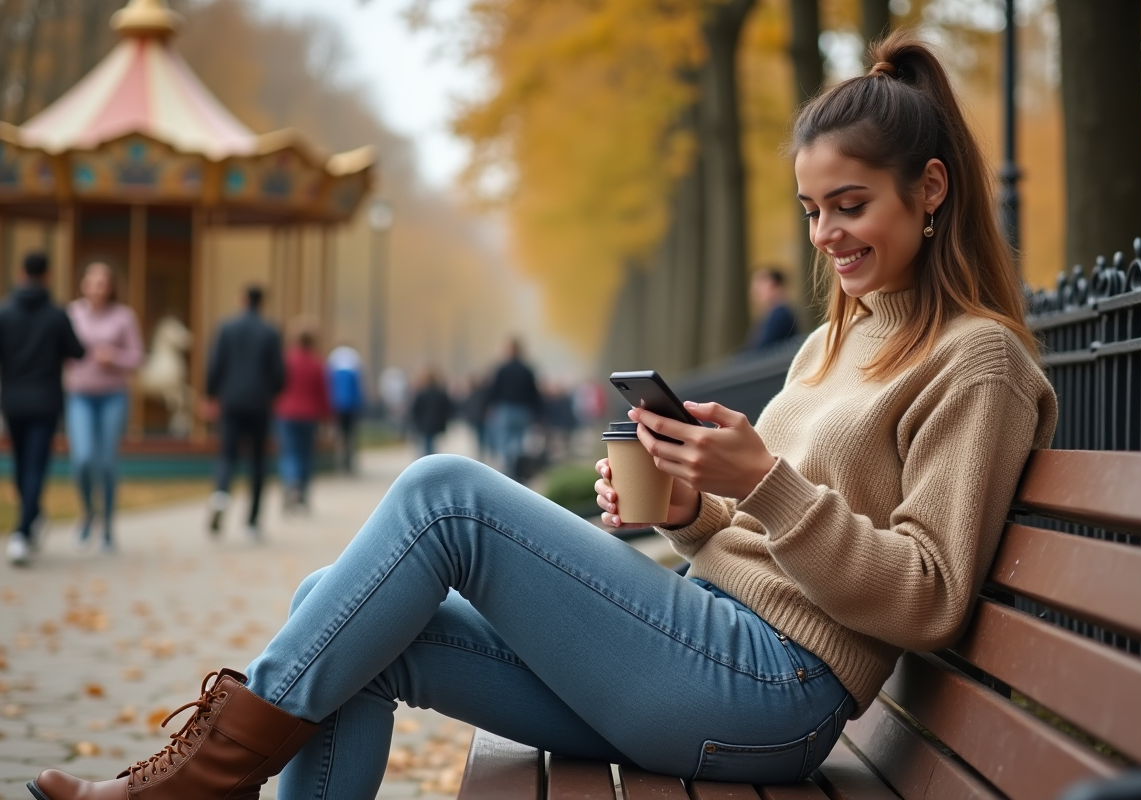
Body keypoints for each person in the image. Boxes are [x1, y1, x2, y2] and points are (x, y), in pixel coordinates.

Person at [29, 32, 1059, 799]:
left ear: (929, 190)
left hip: (771, 691)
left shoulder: (980, 362)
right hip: (712, 647)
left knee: (445, 493)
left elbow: (929, 597)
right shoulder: (833, 339)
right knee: (340, 609)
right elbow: (764, 536)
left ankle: (198, 778)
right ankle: (206, 775)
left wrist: (762, 482)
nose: (826, 234)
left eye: (851, 204)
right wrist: (692, 506)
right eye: (811, 209)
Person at [0, 252, 85, 567]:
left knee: (21, 463)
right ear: (47, 276)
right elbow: (77, 350)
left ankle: (28, 521)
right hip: (47, 400)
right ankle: (24, 529)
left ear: (21, 272)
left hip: (12, 400)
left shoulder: (5, 312)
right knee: (36, 463)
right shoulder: (56, 314)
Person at [63, 262, 144, 553]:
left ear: (110, 286)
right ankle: (88, 513)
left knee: (107, 462)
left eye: (103, 282)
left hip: (113, 396)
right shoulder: (71, 313)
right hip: (79, 396)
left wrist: (115, 357)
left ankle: (108, 527)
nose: (97, 287)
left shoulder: (124, 316)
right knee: (82, 459)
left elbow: (137, 357)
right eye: (92, 281)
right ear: (83, 284)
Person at [204, 285, 284, 541]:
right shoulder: (271, 332)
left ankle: (221, 494)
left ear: (242, 299)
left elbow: (215, 364)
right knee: (258, 461)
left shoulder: (226, 328)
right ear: (262, 302)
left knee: (228, 454)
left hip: (231, 401)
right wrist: (271, 391)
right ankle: (252, 521)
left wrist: (211, 395)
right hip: (260, 403)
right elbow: (279, 375)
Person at [275, 318, 330, 513]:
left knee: (289, 452)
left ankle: (291, 484)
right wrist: (326, 416)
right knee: (305, 455)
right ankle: (303, 493)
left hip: (286, 413)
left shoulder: (285, 359)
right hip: (309, 415)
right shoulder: (317, 363)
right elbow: (323, 392)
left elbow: (277, 386)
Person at [485, 337, 542, 480]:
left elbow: (494, 390)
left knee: (505, 440)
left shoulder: (502, 369)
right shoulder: (527, 370)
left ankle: (508, 469)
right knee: (519, 440)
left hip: (505, 409)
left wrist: (488, 406)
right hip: (523, 411)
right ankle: (517, 470)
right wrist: (538, 412)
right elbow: (534, 392)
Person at [326, 344, 365, 473]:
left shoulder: (334, 364)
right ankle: (349, 462)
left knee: (340, 436)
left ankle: (341, 463)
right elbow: (358, 389)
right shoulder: (353, 365)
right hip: (351, 406)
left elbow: (329, 387)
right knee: (351, 436)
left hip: (337, 405)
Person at [744, 267, 799, 351]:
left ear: (773, 285)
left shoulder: (780, 314)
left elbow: (761, 349)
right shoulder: (772, 315)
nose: (754, 290)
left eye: (760, 284)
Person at [408, 368, 454, 457]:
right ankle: (431, 460)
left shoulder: (421, 393)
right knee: (431, 444)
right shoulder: (441, 393)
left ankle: (428, 462)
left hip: (424, 424)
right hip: (436, 423)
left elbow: (415, 410)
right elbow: (448, 409)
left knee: (427, 444)